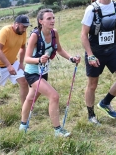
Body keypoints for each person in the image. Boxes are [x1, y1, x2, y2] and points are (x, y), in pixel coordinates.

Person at [19, 8, 80, 137]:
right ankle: (57, 130)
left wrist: (71, 58)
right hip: (32, 73)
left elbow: (60, 50)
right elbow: (27, 59)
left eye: (53, 18)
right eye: (49, 18)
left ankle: (22, 126)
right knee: (54, 96)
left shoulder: (54, 33)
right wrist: (39, 59)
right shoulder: (35, 35)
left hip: (43, 71)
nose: (52, 20)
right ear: (41, 21)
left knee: (30, 98)